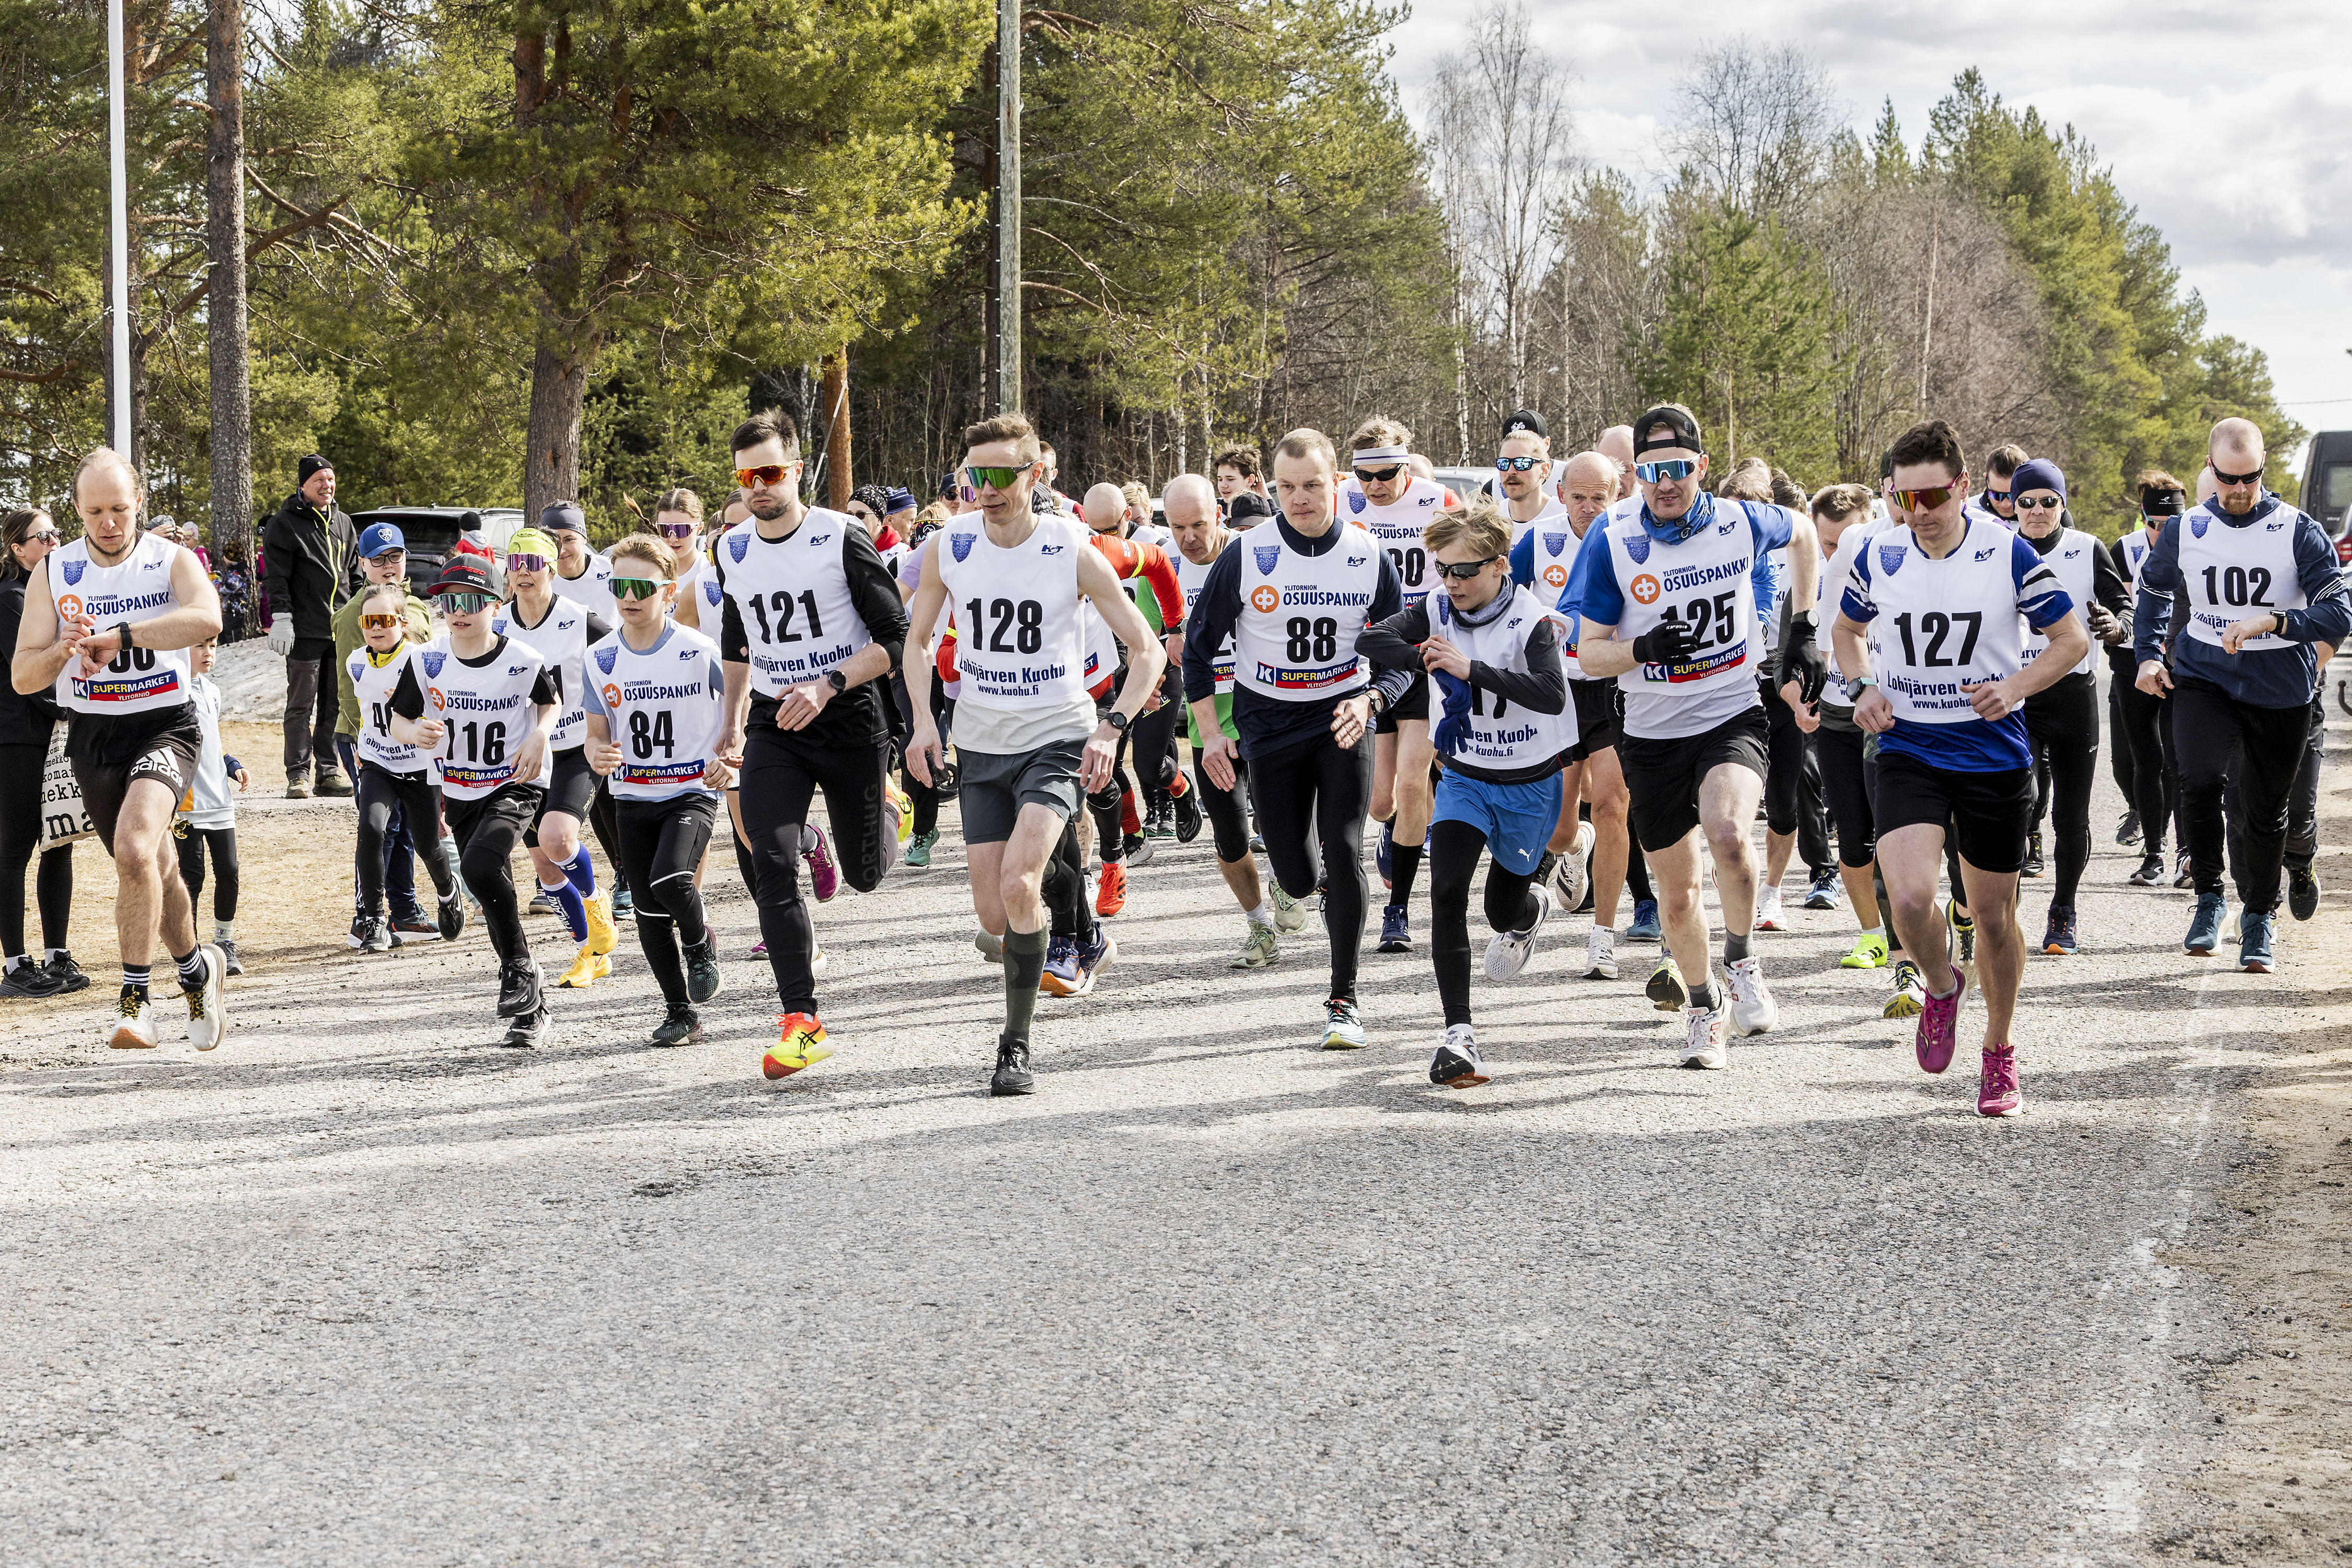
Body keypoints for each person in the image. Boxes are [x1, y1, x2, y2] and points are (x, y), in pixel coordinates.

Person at [904, 411, 1167, 1094]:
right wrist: (922, 725)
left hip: (1057, 736)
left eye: (1000, 475)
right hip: (980, 743)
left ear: (1035, 474)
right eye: (974, 476)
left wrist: (1110, 728)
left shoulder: (1071, 547)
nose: (985, 489)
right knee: (995, 914)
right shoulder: (950, 548)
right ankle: (1078, 934)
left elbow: (1148, 650)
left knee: (1021, 883)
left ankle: (1014, 1047)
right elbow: (917, 641)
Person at [1833, 418, 2088, 1117]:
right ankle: (1942, 987)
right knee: (1911, 899)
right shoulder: (1878, 555)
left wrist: (2015, 687)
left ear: (1964, 487)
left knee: (1993, 917)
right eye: (1906, 500)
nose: (1922, 515)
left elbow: (2071, 640)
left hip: (1990, 752)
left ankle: (1999, 1052)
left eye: (1935, 498)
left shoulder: (2006, 554)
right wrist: (1862, 689)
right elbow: (1846, 634)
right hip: (1909, 744)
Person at [1574, 406, 1823, 1069]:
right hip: (1652, 731)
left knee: (1730, 834)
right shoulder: (1613, 539)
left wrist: (1805, 627)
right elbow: (1588, 653)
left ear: (1701, 468)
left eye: (1679, 470)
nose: (1666, 484)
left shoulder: (1741, 521)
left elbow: (1804, 536)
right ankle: (1703, 1004)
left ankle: (1742, 961)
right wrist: (1640, 647)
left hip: (1731, 710)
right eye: (1653, 472)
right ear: (1637, 475)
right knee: (1679, 898)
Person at [1183, 427, 1414, 1050]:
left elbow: (1402, 657)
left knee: (1344, 851)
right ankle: (1312, 888)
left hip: (1341, 718)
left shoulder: (1369, 555)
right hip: (1269, 723)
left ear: (1335, 483)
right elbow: (1197, 654)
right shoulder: (1247, 552)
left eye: (1312, 485)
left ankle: (1344, 997)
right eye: (1287, 488)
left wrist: (1371, 701)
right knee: (1297, 867)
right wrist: (1210, 737)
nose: (1300, 499)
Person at [10, 447, 229, 1050]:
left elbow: (207, 618)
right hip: (94, 733)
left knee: (134, 847)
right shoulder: (53, 573)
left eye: (119, 509)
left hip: (165, 725)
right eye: (95, 511)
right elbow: (23, 676)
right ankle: (195, 970)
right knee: (150, 864)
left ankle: (136, 1002)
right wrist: (61, 650)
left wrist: (124, 636)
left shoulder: (171, 559)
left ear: (139, 505)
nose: (109, 523)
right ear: (77, 511)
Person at [712, 411, 910, 1077]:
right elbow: (737, 640)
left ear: (796, 470)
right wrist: (732, 719)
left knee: (864, 876)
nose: (758, 489)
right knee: (770, 860)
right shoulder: (731, 548)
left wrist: (829, 684)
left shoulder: (841, 538)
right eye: (746, 478)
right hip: (775, 721)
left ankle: (888, 810)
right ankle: (802, 1020)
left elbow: (895, 638)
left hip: (847, 713)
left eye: (769, 473)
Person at [1359, 499, 1572, 1088]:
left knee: (1500, 909)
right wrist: (1430, 658)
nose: (1450, 582)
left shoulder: (1529, 619)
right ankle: (1459, 1035)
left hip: (1529, 783)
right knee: (1447, 889)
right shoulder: (1433, 606)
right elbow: (1371, 642)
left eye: (1464, 570)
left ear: (1500, 566)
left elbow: (1552, 694)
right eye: (1443, 569)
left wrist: (1470, 668)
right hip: (1465, 776)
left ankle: (1531, 911)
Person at [2134, 417, 2351, 972]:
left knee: (2265, 808)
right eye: (2227, 479)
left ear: (2262, 471)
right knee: (2200, 780)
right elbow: (2156, 588)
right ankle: (2209, 899)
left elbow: (2338, 611)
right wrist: (2149, 654)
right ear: (2209, 469)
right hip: (2206, 673)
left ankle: (2260, 915)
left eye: (2249, 479)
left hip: (2279, 685)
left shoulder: (2298, 529)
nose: (2237, 491)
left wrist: (2274, 622)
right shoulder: (2188, 528)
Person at [388, 554, 561, 1045]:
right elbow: (396, 720)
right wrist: (414, 731)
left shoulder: (522, 660)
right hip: (461, 789)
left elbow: (551, 701)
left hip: (516, 781)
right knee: (491, 884)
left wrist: (540, 735)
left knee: (482, 869)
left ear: (495, 603)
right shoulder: (427, 659)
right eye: (448, 601)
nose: (458, 611)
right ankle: (531, 1002)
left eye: (469, 601)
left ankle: (520, 970)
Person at [1510, 449, 1655, 978]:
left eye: (1600, 497)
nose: (1589, 508)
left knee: (1615, 805)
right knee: (1559, 828)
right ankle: (1576, 847)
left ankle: (1603, 938)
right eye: (1579, 497)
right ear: (1562, 495)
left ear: (1617, 496)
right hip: (1559, 692)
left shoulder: (1631, 540)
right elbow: (1506, 594)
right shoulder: (1541, 539)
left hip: (1614, 686)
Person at [583, 533, 729, 1048]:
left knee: (672, 880)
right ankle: (680, 1012)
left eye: (641, 587)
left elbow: (743, 699)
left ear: (669, 592)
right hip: (631, 796)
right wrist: (597, 754)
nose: (628, 597)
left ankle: (699, 938)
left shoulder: (699, 649)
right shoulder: (599, 658)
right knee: (646, 912)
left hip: (692, 789)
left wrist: (732, 749)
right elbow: (596, 734)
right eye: (619, 585)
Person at [1164, 473, 1306, 964]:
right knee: (1228, 834)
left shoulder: (1256, 553)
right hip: (1210, 724)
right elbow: (1151, 641)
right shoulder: (1163, 569)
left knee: (1281, 822)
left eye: (1199, 524)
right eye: (1177, 526)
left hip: (1268, 716)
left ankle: (1290, 881)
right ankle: (1258, 924)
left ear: (1219, 515)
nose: (1189, 538)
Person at [1338, 417, 1457, 953]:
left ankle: (1399, 909)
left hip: (1421, 659)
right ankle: (1400, 828)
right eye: (1367, 477)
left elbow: (1471, 566)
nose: (1377, 487)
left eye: (1388, 474)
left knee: (1411, 784)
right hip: (1367, 659)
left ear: (1406, 465)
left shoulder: (1439, 502)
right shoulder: (1342, 500)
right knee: (1381, 802)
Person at [2004, 459, 2132, 955]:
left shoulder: (2087, 548)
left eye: (2048, 502)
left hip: (2074, 696)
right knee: (2020, 802)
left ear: (2063, 504)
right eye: (2027, 502)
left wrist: (2116, 626)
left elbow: (2124, 606)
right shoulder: (1996, 551)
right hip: (2018, 695)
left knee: (2071, 815)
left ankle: (2063, 910)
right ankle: (2004, 905)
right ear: (2013, 506)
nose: (2037, 511)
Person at [495, 523, 619, 990]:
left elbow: (623, 656)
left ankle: (595, 901)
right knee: (546, 867)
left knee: (559, 839)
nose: (524, 573)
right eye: (515, 562)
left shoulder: (579, 618)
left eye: (534, 563)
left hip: (573, 748)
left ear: (551, 569)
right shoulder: (498, 624)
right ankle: (589, 950)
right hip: (523, 755)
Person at [330, 521, 439, 944]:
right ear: (363, 564)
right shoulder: (353, 615)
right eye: (378, 560)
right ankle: (367, 916)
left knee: (409, 826)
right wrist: (365, 741)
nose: (388, 566)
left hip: (411, 740)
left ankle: (405, 911)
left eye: (395, 557)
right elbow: (347, 688)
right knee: (380, 826)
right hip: (367, 737)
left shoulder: (416, 606)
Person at [344, 581, 465, 952]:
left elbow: (445, 707)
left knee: (429, 845)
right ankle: (374, 919)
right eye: (369, 621)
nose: (376, 628)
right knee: (372, 828)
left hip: (419, 766)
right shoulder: (355, 662)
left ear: (402, 621)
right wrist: (358, 748)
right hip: (378, 761)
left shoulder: (422, 658)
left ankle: (448, 893)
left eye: (384, 619)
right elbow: (363, 712)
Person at [0, 508, 79, 998]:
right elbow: (29, 676)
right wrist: (73, 710)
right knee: (15, 847)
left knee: (60, 840)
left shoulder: (47, 596)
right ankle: (15, 964)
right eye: (42, 536)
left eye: (56, 533)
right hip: (18, 735)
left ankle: (57, 954)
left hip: (51, 732)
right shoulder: (10, 598)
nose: (53, 542)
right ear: (17, 549)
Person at [262, 453, 363, 798]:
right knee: (301, 704)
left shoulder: (345, 523)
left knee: (334, 706)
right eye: (319, 480)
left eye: (331, 479)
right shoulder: (285, 524)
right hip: (304, 630)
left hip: (341, 631)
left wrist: (361, 610)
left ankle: (329, 772)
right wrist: (282, 617)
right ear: (303, 486)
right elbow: (276, 576)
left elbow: (355, 574)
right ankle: (298, 775)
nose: (327, 485)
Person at [174, 636, 249, 975]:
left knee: (229, 871)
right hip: (185, 805)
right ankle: (189, 949)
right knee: (192, 876)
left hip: (219, 800)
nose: (208, 653)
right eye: (200, 646)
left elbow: (212, 741)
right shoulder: (171, 692)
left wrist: (232, 765)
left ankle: (224, 943)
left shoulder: (213, 691)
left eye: (213, 646)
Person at [546, 502, 618, 627]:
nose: (561, 550)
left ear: (584, 538)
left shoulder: (612, 569)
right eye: (554, 541)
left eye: (569, 540)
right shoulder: (541, 580)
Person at [213, 537, 255, 644]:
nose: (223, 558)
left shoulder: (238, 571)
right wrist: (219, 576)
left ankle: (233, 647)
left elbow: (230, 587)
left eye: (225, 555)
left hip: (234, 609)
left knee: (232, 633)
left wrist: (215, 583)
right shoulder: (238, 569)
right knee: (226, 631)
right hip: (232, 608)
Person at [1214, 446, 1266, 515]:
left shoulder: (1262, 511)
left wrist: (1266, 496)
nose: (1223, 485)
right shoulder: (1212, 511)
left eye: (1230, 479)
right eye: (1220, 480)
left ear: (1250, 480)